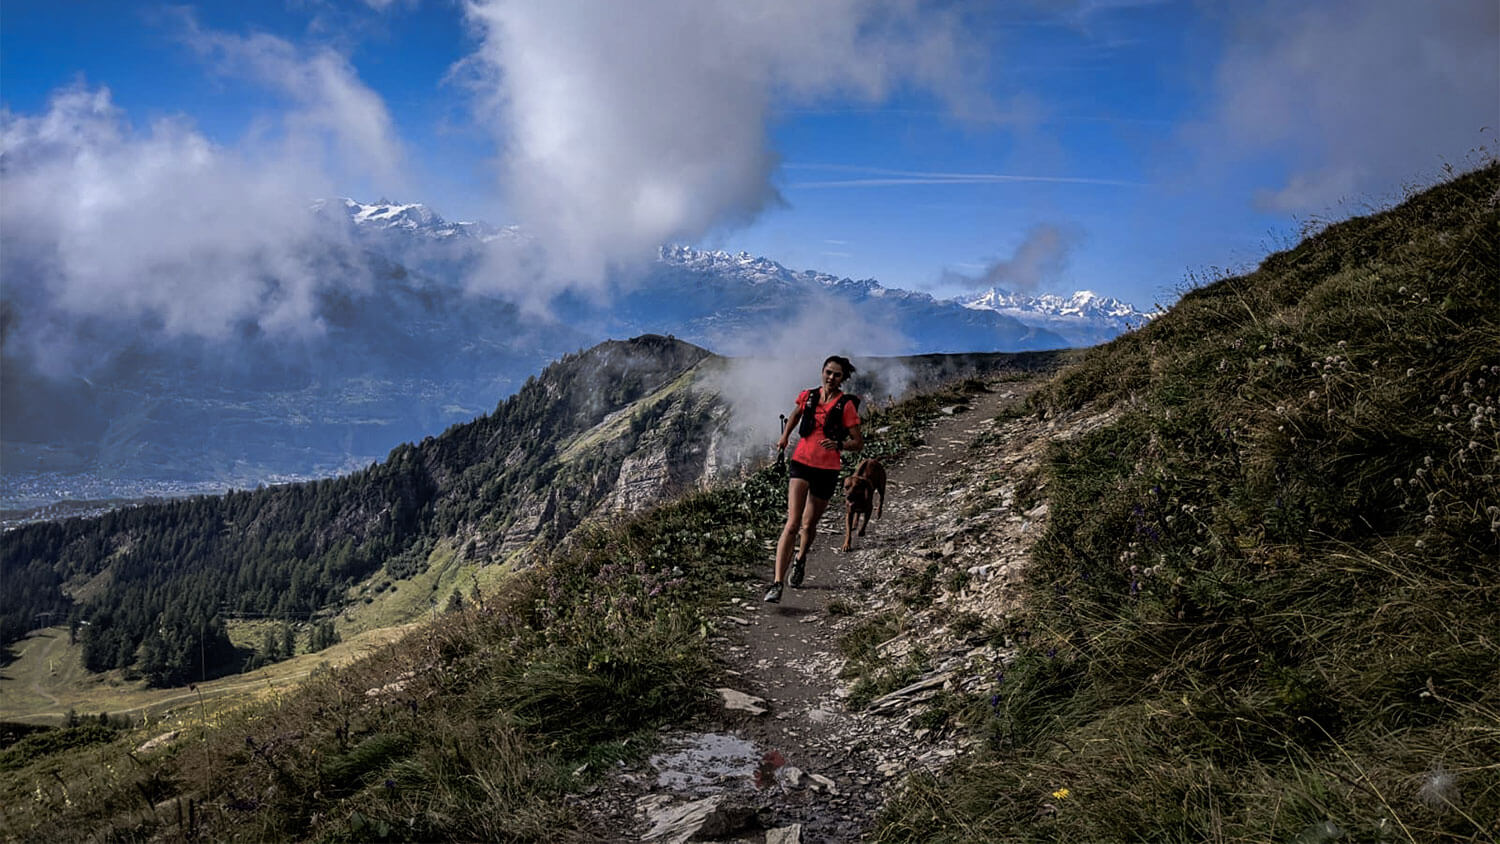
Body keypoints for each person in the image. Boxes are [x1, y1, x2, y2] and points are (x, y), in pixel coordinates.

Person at [765, 355, 863, 603]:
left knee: (808, 525)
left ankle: (800, 560)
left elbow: (858, 443)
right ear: (822, 372)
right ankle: (777, 583)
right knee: (792, 523)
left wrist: (839, 444)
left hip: (827, 470)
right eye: (828, 372)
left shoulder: (846, 406)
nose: (831, 378)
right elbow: (796, 414)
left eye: (836, 375)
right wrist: (785, 437)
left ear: (843, 379)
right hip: (801, 464)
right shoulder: (808, 396)